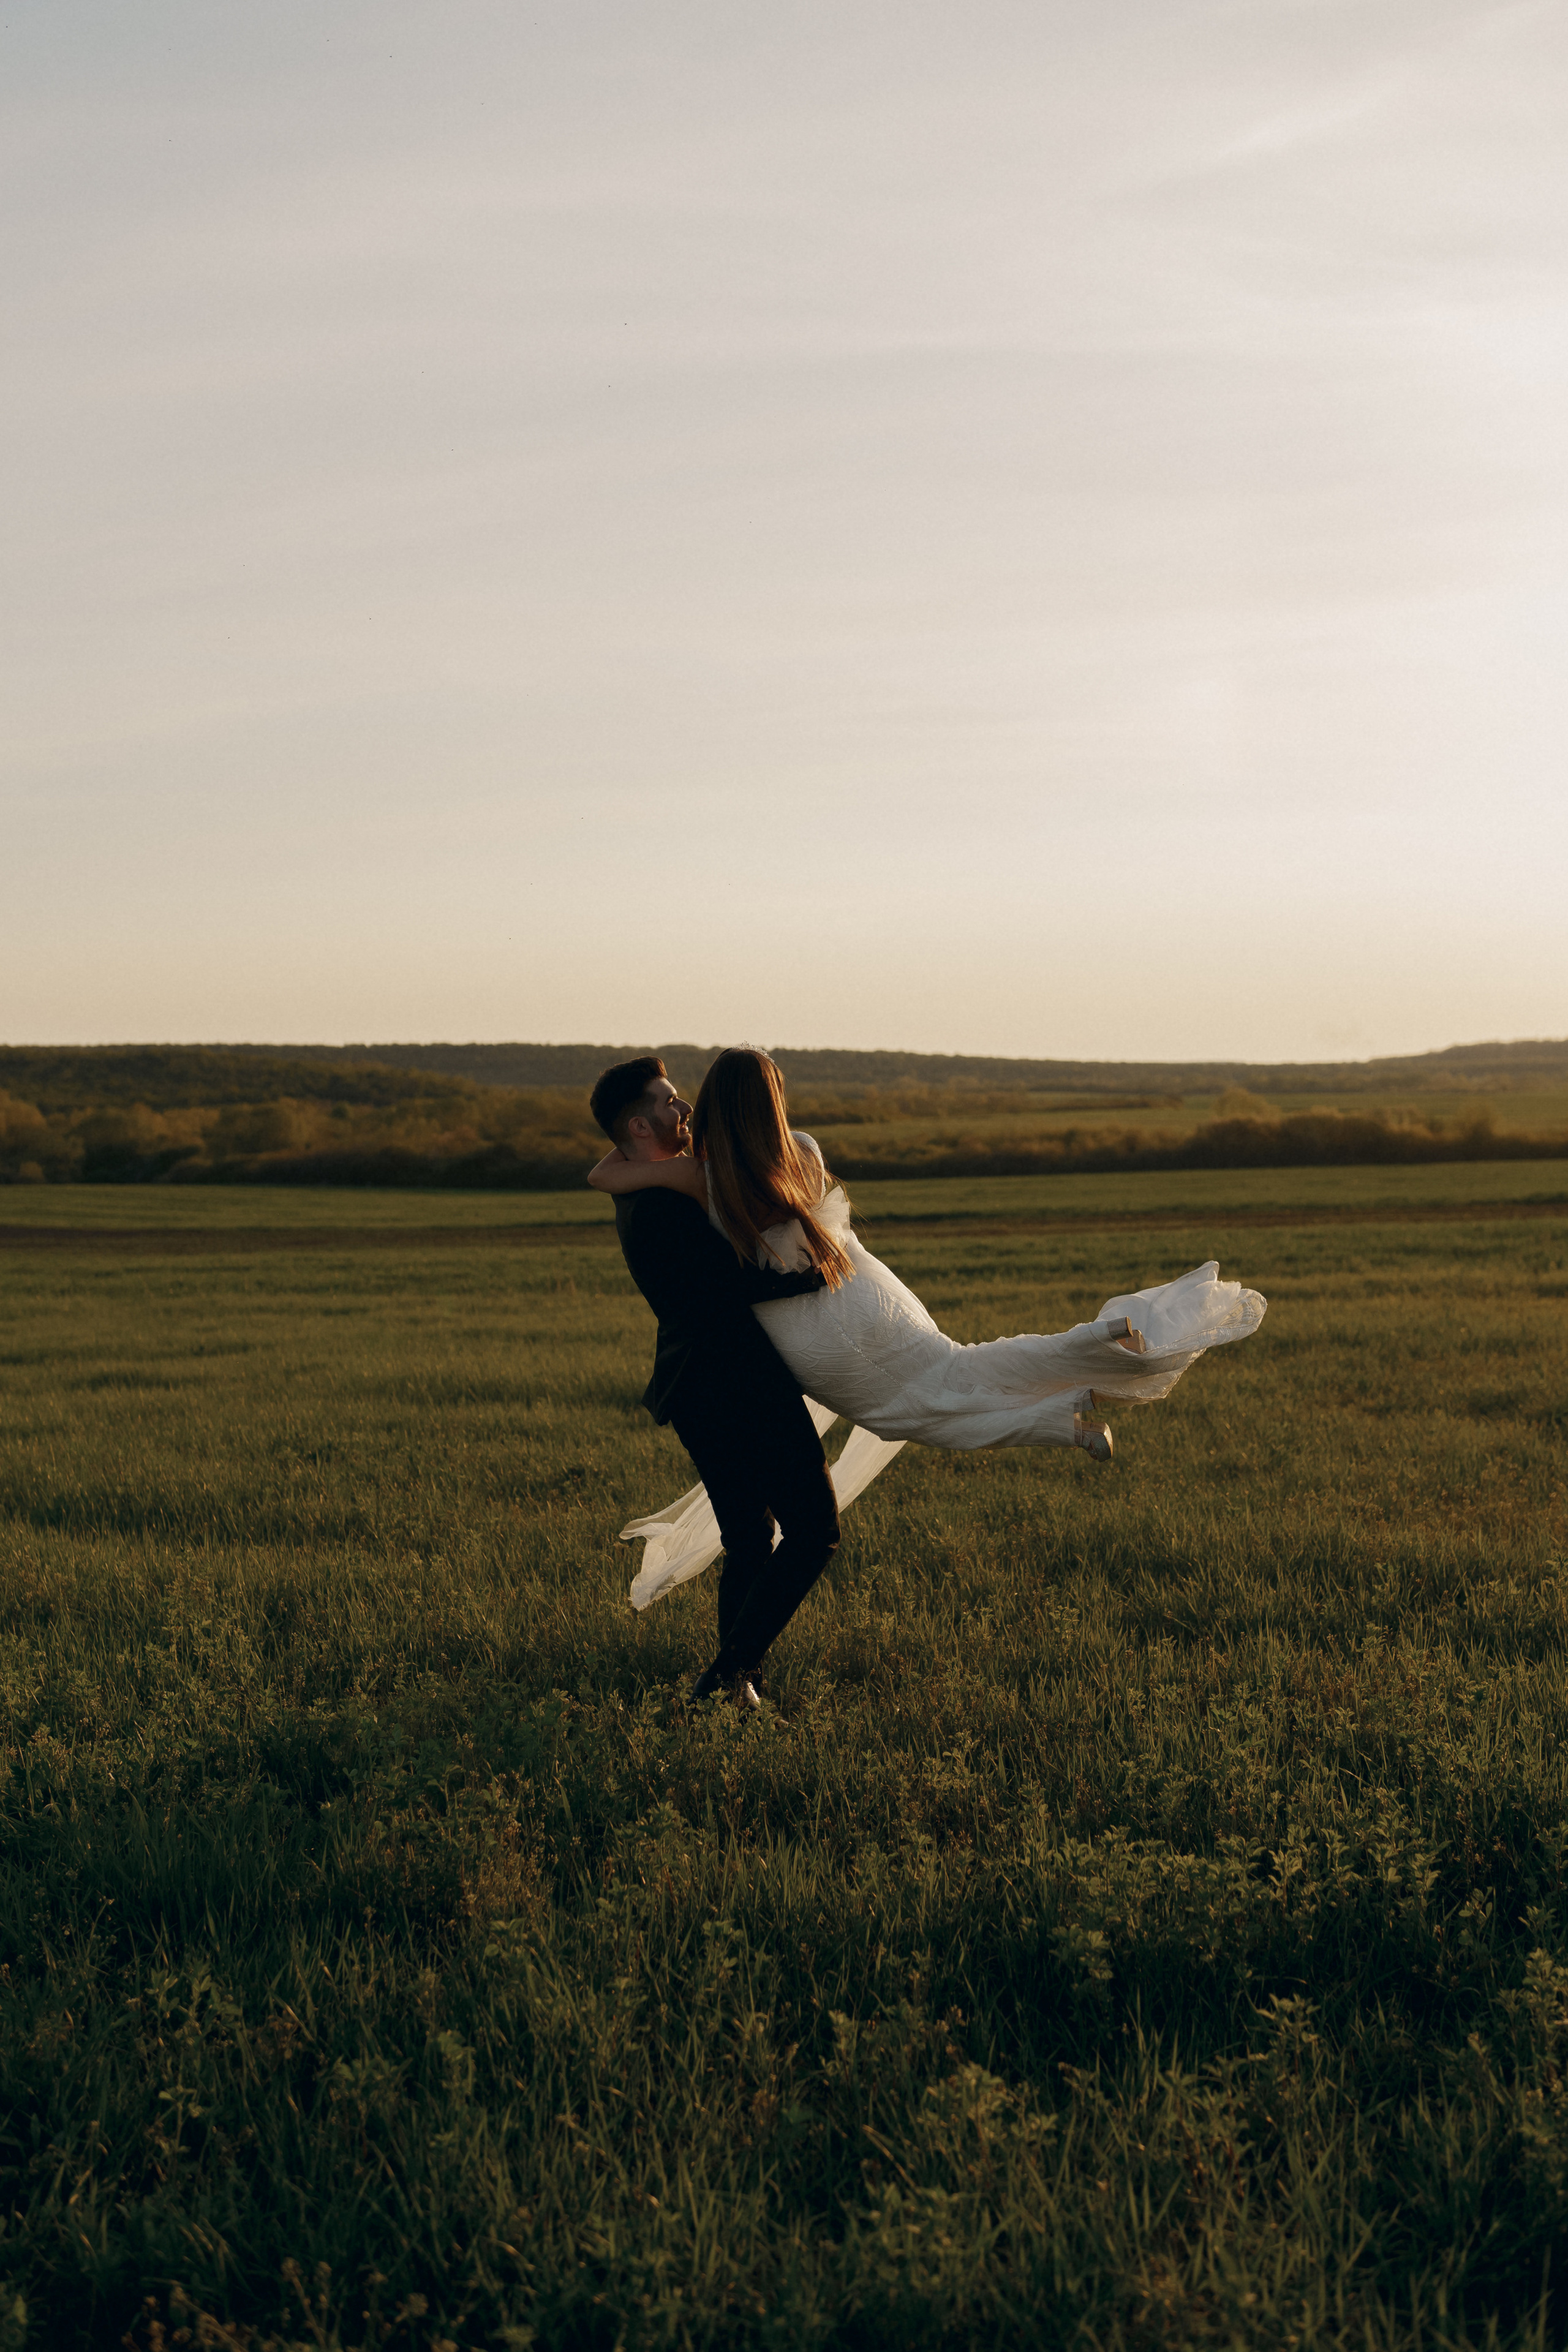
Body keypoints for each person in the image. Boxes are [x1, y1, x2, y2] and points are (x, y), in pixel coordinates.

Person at [590, 1049, 1267, 1610]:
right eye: (668, 1102)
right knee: (955, 1365)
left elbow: (604, 1171)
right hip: (861, 1296)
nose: (679, 1111)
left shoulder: (698, 1177)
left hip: (809, 1334)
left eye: (687, 1100)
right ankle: (1096, 1346)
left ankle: (1069, 1415)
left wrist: (655, 1151)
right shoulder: (799, 1149)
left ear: (713, 1107)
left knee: (914, 1412)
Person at [588, 1055, 842, 1705]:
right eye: (670, 1103)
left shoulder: (647, 1187)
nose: (684, 1110)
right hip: (735, 1384)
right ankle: (724, 1678)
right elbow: (724, 1289)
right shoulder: (658, 1208)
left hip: (697, 1387)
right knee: (814, 1531)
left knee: (750, 1539)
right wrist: (811, 1273)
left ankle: (738, 1685)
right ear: (641, 1127)